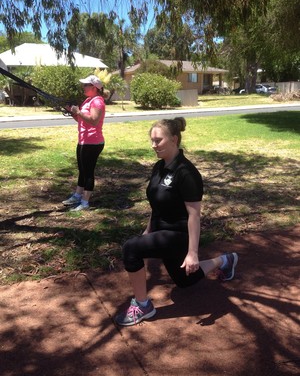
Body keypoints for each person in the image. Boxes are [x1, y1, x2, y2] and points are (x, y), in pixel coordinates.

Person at [115, 117, 238, 326]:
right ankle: (225, 260)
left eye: (158, 140)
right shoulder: (158, 167)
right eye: (152, 140)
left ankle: (143, 306)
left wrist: (192, 253)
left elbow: (194, 215)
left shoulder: (187, 173)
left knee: (131, 248)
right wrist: (147, 231)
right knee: (185, 280)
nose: (154, 145)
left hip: (179, 234)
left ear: (174, 139)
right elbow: (156, 205)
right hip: (162, 231)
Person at [62, 75, 106, 211]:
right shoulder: (88, 100)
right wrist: (73, 113)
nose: (83, 87)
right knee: (82, 170)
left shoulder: (97, 101)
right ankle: (77, 195)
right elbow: (82, 120)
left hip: (93, 142)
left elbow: (94, 120)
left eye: (86, 85)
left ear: (94, 87)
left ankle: (85, 202)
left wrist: (79, 112)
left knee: (88, 172)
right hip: (83, 141)